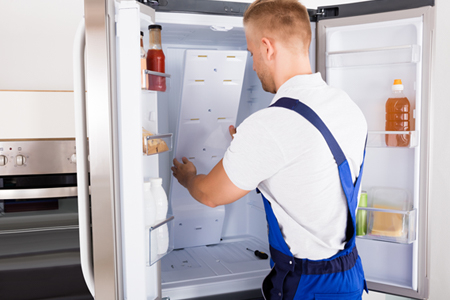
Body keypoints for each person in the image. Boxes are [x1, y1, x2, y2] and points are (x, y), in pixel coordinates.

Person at [171, 0, 368, 298]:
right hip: (349, 276)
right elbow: (308, 176)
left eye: (251, 53)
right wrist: (249, 152)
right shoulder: (346, 105)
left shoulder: (270, 125)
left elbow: (210, 195)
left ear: (267, 48)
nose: (253, 64)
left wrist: (187, 176)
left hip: (309, 286)